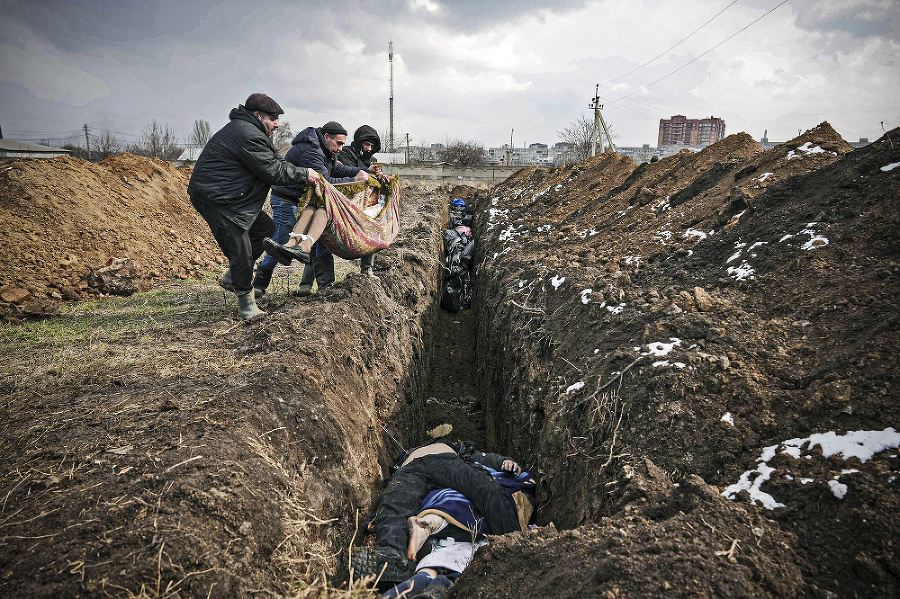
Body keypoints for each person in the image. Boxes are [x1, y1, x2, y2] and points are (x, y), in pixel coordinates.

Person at [187, 93, 319, 320]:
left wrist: (298, 171)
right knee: (241, 245)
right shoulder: (247, 134)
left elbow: (277, 162)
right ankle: (246, 302)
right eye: (272, 118)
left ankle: (232, 277)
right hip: (218, 198)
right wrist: (304, 174)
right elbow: (272, 171)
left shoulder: (253, 132)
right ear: (257, 115)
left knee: (264, 229)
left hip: (232, 197)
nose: (276, 123)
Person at [351, 436, 525, 583]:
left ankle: (514, 547)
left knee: (487, 488)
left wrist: (503, 461)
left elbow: (481, 457)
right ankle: (390, 561)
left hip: (445, 461)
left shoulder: (453, 446)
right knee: (394, 503)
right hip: (411, 469)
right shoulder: (407, 454)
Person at [251, 121, 368, 297]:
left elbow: (337, 169)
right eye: (339, 143)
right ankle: (259, 283)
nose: (341, 148)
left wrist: (360, 171)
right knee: (281, 241)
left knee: (320, 238)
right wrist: (355, 182)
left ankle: (325, 285)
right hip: (287, 199)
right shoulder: (312, 151)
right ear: (327, 137)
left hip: (304, 201)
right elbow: (325, 182)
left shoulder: (325, 151)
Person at [337, 125, 384, 278]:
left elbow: (374, 180)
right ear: (359, 141)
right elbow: (347, 172)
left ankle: (367, 270)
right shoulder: (345, 153)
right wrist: (368, 171)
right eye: (366, 144)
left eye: (372, 146)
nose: (369, 148)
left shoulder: (372, 160)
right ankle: (310, 283)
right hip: (345, 203)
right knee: (324, 242)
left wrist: (379, 175)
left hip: (366, 202)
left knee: (372, 230)